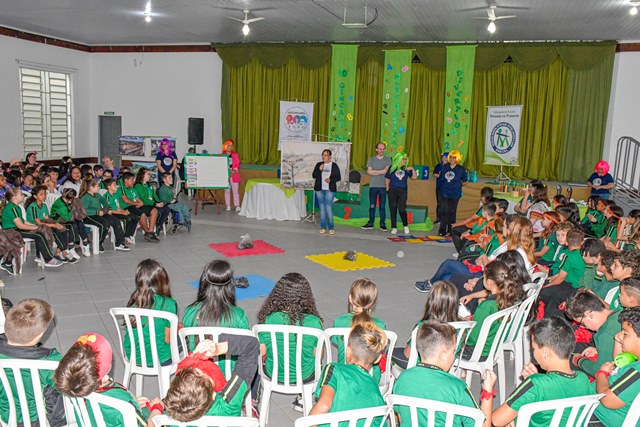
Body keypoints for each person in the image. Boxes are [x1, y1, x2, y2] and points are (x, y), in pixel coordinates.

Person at [492, 317, 592, 427]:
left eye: (534, 349)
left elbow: (497, 420)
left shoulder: (536, 384)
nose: (533, 353)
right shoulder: (583, 379)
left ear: (545, 352)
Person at [393, 321, 497, 427]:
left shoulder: (402, 379)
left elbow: (401, 418)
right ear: (443, 355)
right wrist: (487, 390)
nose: (454, 356)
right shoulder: (458, 387)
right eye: (453, 351)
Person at [256, 272, 323, 411]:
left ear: (277, 295)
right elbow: (318, 355)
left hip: (273, 372)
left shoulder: (268, 320)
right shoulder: (314, 322)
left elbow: (262, 351)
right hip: (305, 375)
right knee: (317, 362)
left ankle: (256, 401)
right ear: (306, 296)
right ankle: (302, 399)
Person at [53, 333, 151, 426]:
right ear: (108, 366)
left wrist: (132, 406)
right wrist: (156, 409)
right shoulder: (122, 399)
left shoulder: (73, 386)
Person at [159, 335, 259, 421]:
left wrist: (157, 408)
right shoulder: (228, 406)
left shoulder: (173, 417)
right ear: (213, 395)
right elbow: (251, 346)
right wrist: (218, 349)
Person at [0, 299, 66, 427]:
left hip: (6, 417)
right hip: (37, 420)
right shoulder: (49, 361)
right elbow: (68, 386)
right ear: (38, 336)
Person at [309, 322, 387, 421]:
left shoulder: (334, 370)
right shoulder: (376, 393)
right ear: (378, 359)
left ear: (348, 351)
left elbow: (324, 405)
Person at [462, 260, 525, 360]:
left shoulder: (487, 306)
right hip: (494, 347)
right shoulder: (508, 297)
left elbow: (472, 339)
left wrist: (462, 332)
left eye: (484, 277)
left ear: (489, 282)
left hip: (477, 352)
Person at [182, 259, 250, 351]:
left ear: (203, 283)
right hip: (230, 361)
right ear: (230, 286)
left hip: (197, 360)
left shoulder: (190, 311)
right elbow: (247, 345)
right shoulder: (239, 315)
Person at [392, 280, 460, 370]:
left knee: (389, 352)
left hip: (421, 367)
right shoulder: (461, 327)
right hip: (446, 366)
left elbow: (408, 354)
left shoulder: (424, 327)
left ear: (431, 302)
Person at [123, 259, 178, 367]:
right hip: (161, 359)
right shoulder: (169, 304)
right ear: (162, 280)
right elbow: (168, 340)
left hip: (134, 357)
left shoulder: (133, 302)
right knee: (185, 339)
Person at [591, 307, 640, 426]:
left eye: (625, 333)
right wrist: (619, 341)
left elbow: (607, 400)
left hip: (600, 419)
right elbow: (618, 361)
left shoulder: (636, 372)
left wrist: (601, 374)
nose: (619, 336)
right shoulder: (635, 362)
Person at [333, 278, 386, 371]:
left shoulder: (339, 321)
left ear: (350, 298)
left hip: (344, 372)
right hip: (371, 375)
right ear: (373, 302)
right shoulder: (380, 325)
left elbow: (337, 341)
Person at [1, 187, 63, 267]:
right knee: (39, 235)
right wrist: (35, 227)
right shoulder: (12, 208)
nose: (23, 196)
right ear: (14, 197)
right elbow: (20, 225)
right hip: (12, 232)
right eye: (21, 194)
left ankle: (40, 256)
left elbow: (23, 221)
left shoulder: (16, 206)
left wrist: (35, 226)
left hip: (16, 229)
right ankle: (48, 259)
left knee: (39, 232)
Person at [565, 289, 621, 377]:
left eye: (583, 323)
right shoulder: (621, 312)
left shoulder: (605, 334)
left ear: (589, 314)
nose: (585, 327)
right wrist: (598, 349)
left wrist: (579, 360)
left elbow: (600, 372)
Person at [538, 228, 586, 318]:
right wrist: (553, 278)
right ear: (582, 242)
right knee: (545, 284)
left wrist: (547, 286)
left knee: (542, 292)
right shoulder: (584, 254)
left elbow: (560, 279)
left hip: (571, 286)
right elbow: (566, 272)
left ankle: (546, 315)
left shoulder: (569, 256)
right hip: (578, 285)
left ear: (566, 242)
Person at [25, 185, 78, 263]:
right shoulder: (33, 207)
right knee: (55, 231)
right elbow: (39, 223)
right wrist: (54, 225)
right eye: (41, 194)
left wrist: (57, 224)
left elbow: (47, 219)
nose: (44, 196)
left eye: (45, 194)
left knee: (62, 228)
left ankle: (59, 252)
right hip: (34, 227)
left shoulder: (44, 205)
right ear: (35, 196)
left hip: (44, 224)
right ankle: (63, 252)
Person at [118, 171, 159, 242]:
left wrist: (140, 202)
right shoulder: (122, 188)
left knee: (154, 210)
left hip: (135, 206)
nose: (133, 181)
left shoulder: (132, 189)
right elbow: (126, 200)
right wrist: (136, 203)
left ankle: (151, 232)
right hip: (127, 207)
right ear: (126, 180)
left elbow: (138, 198)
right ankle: (147, 233)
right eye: (131, 180)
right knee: (142, 215)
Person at [50, 188, 91, 257]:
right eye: (70, 199)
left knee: (80, 222)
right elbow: (67, 218)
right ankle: (70, 248)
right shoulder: (60, 205)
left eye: (72, 199)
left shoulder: (68, 200)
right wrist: (73, 209)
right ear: (64, 196)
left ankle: (85, 244)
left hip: (66, 217)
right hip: (57, 220)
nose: (71, 201)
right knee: (73, 226)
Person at [362, 142, 392, 231]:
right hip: (373, 186)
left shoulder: (388, 160)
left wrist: (375, 171)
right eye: (380, 149)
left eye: (383, 149)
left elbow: (386, 171)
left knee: (382, 207)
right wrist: (380, 171)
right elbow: (369, 172)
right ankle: (370, 223)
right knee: (372, 206)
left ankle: (382, 224)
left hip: (383, 186)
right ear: (376, 149)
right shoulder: (371, 159)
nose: (382, 150)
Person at [437, 150, 467, 236]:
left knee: (452, 212)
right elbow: (441, 177)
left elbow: (465, 181)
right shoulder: (444, 167)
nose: (452, 159)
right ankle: (442, 230)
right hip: (444, 193)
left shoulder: (461, 169)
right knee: (444, 211)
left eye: (454, 157)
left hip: (455, 194)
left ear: (457, 158)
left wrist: (458, 185)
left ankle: (451, 230)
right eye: (451, 157)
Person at [385, 151, 416, 235]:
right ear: (398, 159)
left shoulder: (406, 169)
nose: (405, 161)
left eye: (405, 159)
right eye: (403, 159)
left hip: (402, 191)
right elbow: (387, 178)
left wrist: (412, 169)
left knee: (402, 209)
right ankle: (394, 227)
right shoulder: (392, 168)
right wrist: (388, 189)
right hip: (392, 190)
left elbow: (414, 177)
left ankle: (405, 225)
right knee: (393, 209)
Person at [312, 149, 341, 235]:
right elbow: (314, 175)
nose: (323, 157)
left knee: (328, 208)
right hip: (319, 189)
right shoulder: (319, 164)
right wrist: (319, 169)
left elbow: (338, 177)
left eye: (325, 155)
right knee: (322, 208)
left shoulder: (334, 166)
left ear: (329, 156)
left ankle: (331, 228)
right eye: (323, 155)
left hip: (329, 190)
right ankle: (323, 227)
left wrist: (330, 180)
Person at [102, 178, 137, 246]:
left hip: (117, 212)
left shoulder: (115, 195)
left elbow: (118, 207)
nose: (116, 186)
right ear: (109, 187)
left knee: (135, 217)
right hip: (112, 213)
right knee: (127, 219)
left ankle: (127, 235)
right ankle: (122, 238)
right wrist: (121, 213)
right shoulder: (106, 196)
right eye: (114, 185)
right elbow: (109, 210)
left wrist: (124, 211)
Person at [134, 168, 170, 234]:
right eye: (148, 174)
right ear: (142, 175)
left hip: (152, 204)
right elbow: (144, 199)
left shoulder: (149, 185)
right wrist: (155, 204)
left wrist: (159, 202)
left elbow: (154, 195)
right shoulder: (138, 186)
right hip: (145, 205)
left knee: (166, 208)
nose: (149, 176)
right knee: (160, 210)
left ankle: (159, 225)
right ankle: (153, 228)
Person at [222, 139, 242, 211]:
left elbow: (237, 163)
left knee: (235, 191)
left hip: (234, 174)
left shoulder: (235, 154)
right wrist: (228, 170)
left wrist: (234, 170)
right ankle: (228, 205)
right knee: (227, 191)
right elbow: (221, 164)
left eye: (231, 146)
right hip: (226, 175)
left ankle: (237, 205)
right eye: (228, 146)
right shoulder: (222, 155)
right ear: (225, 146)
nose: (230, 147)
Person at [432, 151, 449, 225]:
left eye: (446, 157)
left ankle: (447, 219)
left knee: (448, 204)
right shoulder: (439, 166)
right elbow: (435, 174)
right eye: (443, 157)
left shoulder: (451, 166)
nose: (444, 159)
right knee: (440, 203)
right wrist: (442, 175)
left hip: (449, 188)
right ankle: (438, 218)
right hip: (440, 188)